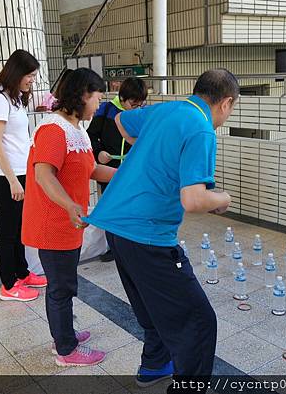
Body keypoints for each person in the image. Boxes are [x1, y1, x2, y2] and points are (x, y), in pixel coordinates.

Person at [85, 69, 239, 391]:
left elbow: (122, 123)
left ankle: (155, 365)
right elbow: (194, 199)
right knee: (199, 323)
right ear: (225, 103)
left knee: (153, 307)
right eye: (232, 108)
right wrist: (223, 198)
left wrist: (155, 152)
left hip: (117, 228)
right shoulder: (202, 130)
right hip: (147, 235)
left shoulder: (169, 108)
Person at [21, 68, 116, 367]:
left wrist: (128, 176)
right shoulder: (53, 129)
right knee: (61, 288)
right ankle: (66, 350)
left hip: (69, 222)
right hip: (54, 222)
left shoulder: (77, 129)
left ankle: (64, 334)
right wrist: (69, 205)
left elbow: (90, 170)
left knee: (64, 283)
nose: (99, 104)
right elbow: (43, 174)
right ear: (83, 94)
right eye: (98, 97)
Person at [0, 49, 47, 302]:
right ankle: (8, 285)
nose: (32, 79)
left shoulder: (16, 98)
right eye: (29, 75)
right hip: (5, 176)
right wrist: (12, 180)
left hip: (22, 172)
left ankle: (22, 273)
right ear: (17, 72)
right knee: (8, 230)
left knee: (20, 228)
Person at [87, 77, 147, 193]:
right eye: (133, 105)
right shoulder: (106, 110)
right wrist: (98, 152)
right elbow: (90, 135)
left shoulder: (142, 114)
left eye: (141, 104)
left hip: (134, 174)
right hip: (108, 175)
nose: (137, 109)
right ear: (122, 98)